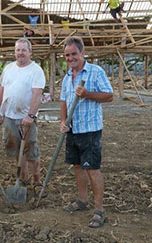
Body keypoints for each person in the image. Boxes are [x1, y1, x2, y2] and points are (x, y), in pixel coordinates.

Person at [59, 36, 113, 228]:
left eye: (74, 54)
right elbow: (64, 101)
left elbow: (109, 96)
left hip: (90, 130)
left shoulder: (95, 72)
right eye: (67, 55)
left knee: (92, 168)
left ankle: (99, 209)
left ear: (82, 53)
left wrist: (87, 94)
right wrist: (63, 121)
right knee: (77, 166)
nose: (70, 58)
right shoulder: (67, 76)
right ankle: (82, 200)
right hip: (74, 129)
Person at [0, 38, 46, 196]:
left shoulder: (35, 70)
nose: (20, 53)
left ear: (30, 52)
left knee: (31, 151)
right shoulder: (9, 68)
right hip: (9, 116)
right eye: (18, 50)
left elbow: (37, 95)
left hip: (26, 118)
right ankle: (23, 179)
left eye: (24, 50)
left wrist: (30, 115)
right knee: (16, 149)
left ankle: (37, 181)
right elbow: (1, 91)